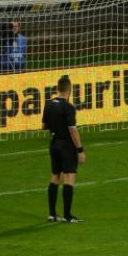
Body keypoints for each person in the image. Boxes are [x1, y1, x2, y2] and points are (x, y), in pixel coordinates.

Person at [44, 74, 86, 223]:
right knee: (69, 177)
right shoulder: (68, 107)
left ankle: (52, 214)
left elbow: (45, 125)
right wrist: (80, 150)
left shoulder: (49, 104)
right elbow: (73, 130)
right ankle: (67, 216)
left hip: (53, 143)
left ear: (58, 88)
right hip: (66, 146)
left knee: (55, 176)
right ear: (69, 90)